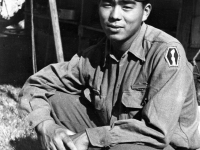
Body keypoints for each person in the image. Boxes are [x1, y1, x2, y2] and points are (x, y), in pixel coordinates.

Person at [19, 0, 200, 150]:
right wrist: (47, 126)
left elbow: (157, 132)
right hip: (117, 134)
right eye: (107, 4)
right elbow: (37, 84)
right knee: (57, 100)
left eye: (126, 6)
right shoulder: (96, 54)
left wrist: (90, 138)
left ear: (145, 12)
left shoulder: (166, 52)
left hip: (161, 145)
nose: (114, 15)